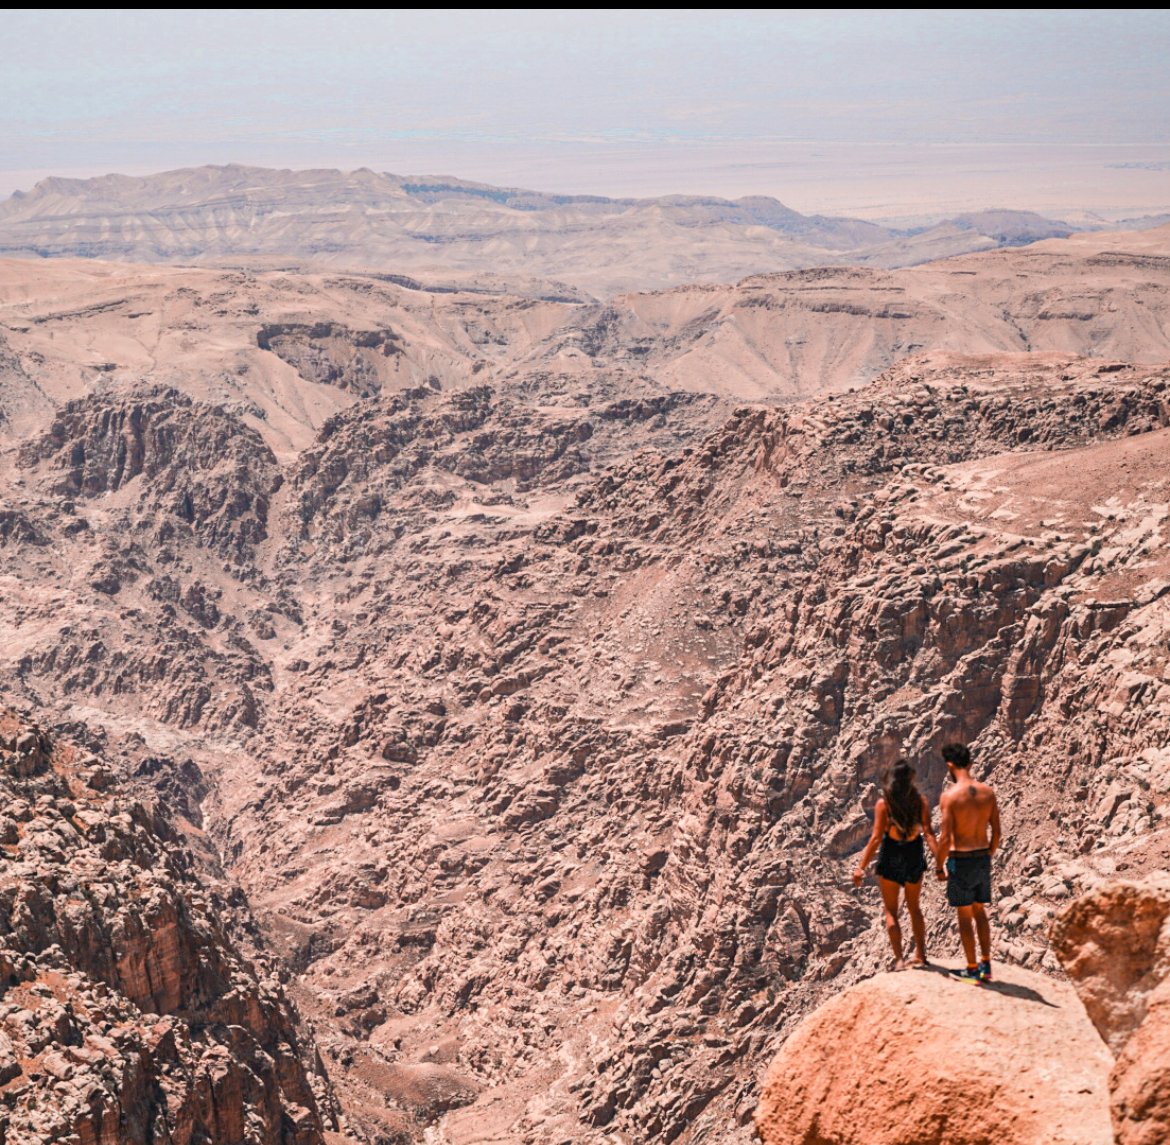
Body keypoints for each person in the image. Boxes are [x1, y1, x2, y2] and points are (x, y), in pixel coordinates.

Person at [852, 760, 938, 970]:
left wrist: (860, 868)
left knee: (891, 911)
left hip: (891, 855)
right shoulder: (921, 801)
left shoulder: (884, 804)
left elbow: (875, 838)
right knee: (914, 908)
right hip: (913, 854)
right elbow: (928, 833)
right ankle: (920, 954)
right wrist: (940, 863)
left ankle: (899, 959)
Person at [935, 742, 1001, 984]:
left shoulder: (950, 797)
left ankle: (972, 970)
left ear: (950, 766)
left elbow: (945, 838)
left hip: (960, 860)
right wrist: (988, 855)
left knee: (964, 915)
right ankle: (986, 965)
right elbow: (997, 832)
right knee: (980, 910)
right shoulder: (988, 792)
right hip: (982, 856)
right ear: (970, 764)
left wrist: (939, 866)